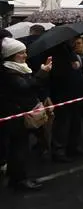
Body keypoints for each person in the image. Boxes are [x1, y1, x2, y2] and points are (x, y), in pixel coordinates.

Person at [0, 37, 52, 191]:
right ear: (12, 55)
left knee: (20, 146)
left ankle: (17, 177)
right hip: (16, 115)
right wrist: (42, 73)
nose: (24, 56)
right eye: (21, 53)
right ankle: (20, 180)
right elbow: (26, 87)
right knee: (20, 148)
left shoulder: (19, 68)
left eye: (24, 52)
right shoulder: (9, 72)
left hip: (20, 112)